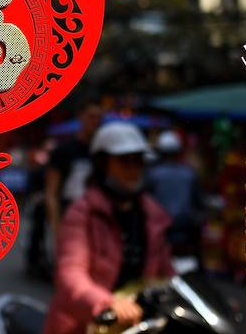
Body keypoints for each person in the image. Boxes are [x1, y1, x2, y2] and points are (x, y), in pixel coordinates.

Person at [44, 123, 174, 334]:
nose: (133, 169)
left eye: (138, 161)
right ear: (103, 164)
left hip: (138, 324)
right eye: (124, 161)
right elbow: (70, 274)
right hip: (84, 323)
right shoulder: (82, 212)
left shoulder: (153, 213)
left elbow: (165, 273)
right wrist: (106, 303)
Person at [44, 101, 103, 240]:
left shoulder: (103, 151)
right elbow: (51, 193)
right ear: (81, 117)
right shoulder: (64, 150)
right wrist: (57, 228)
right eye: (91, 116)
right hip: (70, 218)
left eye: (98, 117)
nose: (95, 121)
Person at [146, 130, 204, 260]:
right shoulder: (189, 174)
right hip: (185, 232)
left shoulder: (153, 175)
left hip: (161, 232)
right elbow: (199, 205)